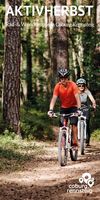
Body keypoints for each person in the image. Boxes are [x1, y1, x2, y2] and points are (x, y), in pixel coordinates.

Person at [48, 68, 81, 147]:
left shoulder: (73, 85)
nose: (63, 80)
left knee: (73, 124)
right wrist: (51, 110)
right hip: (64, 108)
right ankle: (63, 139)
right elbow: (54, 98)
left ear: (68, 78)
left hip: (74, 107)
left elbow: (78, 98)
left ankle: (75, 142)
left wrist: (79, 109)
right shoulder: (57, 86)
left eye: (65, 78)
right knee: (62, 125)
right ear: (59, 79)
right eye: (61, 78)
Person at [76, 78, 96, 146]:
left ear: (85, 86)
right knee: (74, 123)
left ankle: (87, 141)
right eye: (79, 85)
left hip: (85, 108)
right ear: (77, 86)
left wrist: (93, 104)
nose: (81, 87)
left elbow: (92, 99)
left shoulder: (87, 91)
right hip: (77, 107)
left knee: (86, 123)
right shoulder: (75, 91)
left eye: (83, 85)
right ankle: (74, 139)